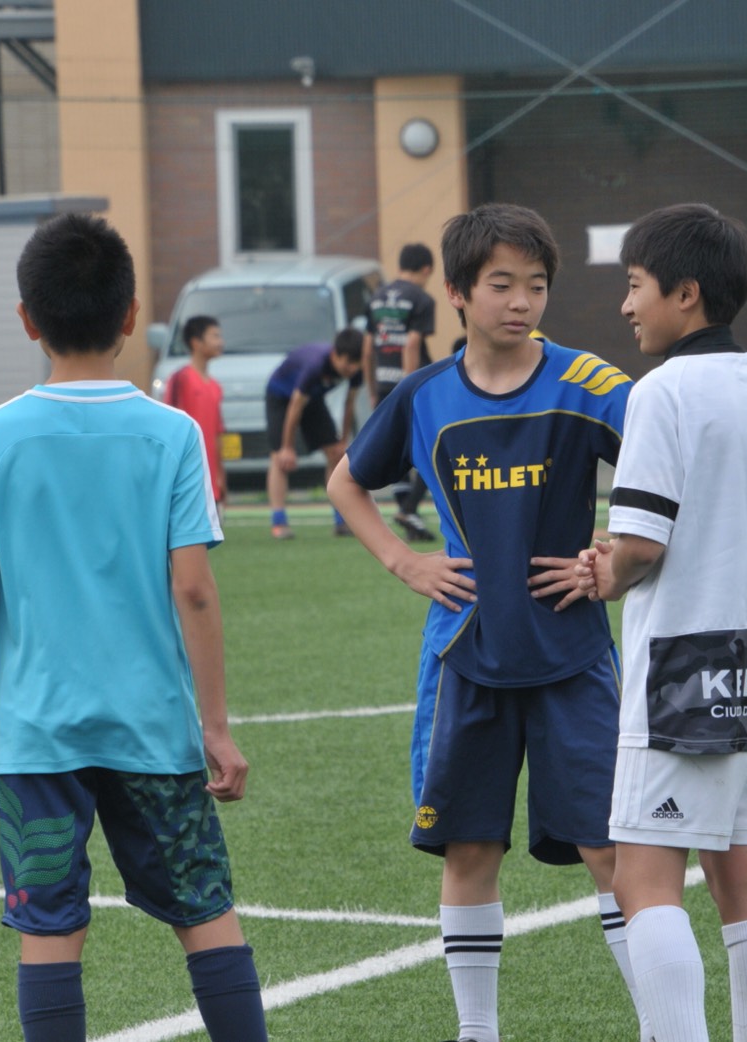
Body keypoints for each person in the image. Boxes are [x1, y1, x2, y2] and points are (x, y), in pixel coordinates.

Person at [0, 212, 267, 1042]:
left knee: (50, 931)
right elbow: (194, 590)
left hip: (36, 734)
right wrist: (216, 727)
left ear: (28, 319)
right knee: (206, 911)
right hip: (152, 728)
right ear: (130, 316)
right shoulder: (172, 433)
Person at [327, 203, 647, 1042]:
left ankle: (660, 1024)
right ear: (458, 293)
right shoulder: (424, 395)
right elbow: (346, 482)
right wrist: (405, 562)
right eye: (501, 284)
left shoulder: (589, 383)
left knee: (610, 850)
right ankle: (478, 1032)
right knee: (469, 849)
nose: (521, 301)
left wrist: (613, 556)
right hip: (466, 655)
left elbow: (667, 462)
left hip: (573, 656)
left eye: (536, 285)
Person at [578, 203, 747, 1042]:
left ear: (686, 292)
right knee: (745, 876)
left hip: (680, 664)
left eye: (636, 285)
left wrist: (606, 573)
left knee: (643, 880)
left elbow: (639, 542)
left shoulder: (661, 391)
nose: (627, 305)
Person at [363, 242, 438, 542]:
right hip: (413, 383)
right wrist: (409, 386)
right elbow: (412, 343)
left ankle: (409, 513)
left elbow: (367, 348)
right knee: (433, 444)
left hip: (383, 381)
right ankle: (409, 508)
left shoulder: (377, 297)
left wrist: (372, 389)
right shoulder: (421, 298)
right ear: (426, 269)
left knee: (399, 449)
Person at [264, 329, 364, 539]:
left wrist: (342, 440)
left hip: (312, 399)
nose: (352, 369)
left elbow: (349, 404)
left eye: (356, 363)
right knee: (279, 458)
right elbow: (295, 406)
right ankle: (279, 521)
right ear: (335, 355)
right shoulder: (316, 365)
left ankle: (341, 520)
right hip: (281, 396)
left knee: (336, 454)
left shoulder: (356, 370)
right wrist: (288, 447)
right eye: (348, 363)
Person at [164, 315, 228, 504]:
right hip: (188, 477)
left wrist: (221, 475)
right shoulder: (181, 379)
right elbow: (170, 427)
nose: (220, 342)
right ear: (196, 342)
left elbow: (217, 434)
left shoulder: (215, 386)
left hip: (211, 480)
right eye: (215, 336)